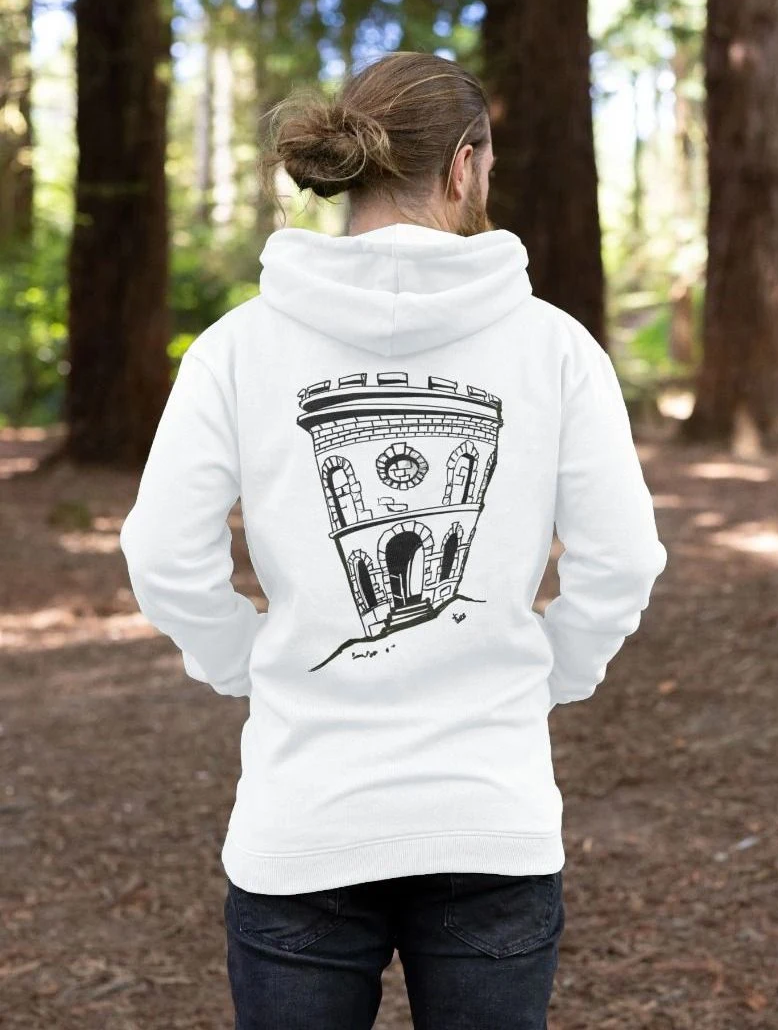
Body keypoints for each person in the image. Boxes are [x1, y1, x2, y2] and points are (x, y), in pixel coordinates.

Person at [119, 50, 666, 1030]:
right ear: (464, 167)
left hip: (304, 816)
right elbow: (620, 559)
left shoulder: (238, 347)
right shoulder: (554, 348)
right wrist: (549, 675)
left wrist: (253, 664)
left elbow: (163, 553)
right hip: (488, 811)